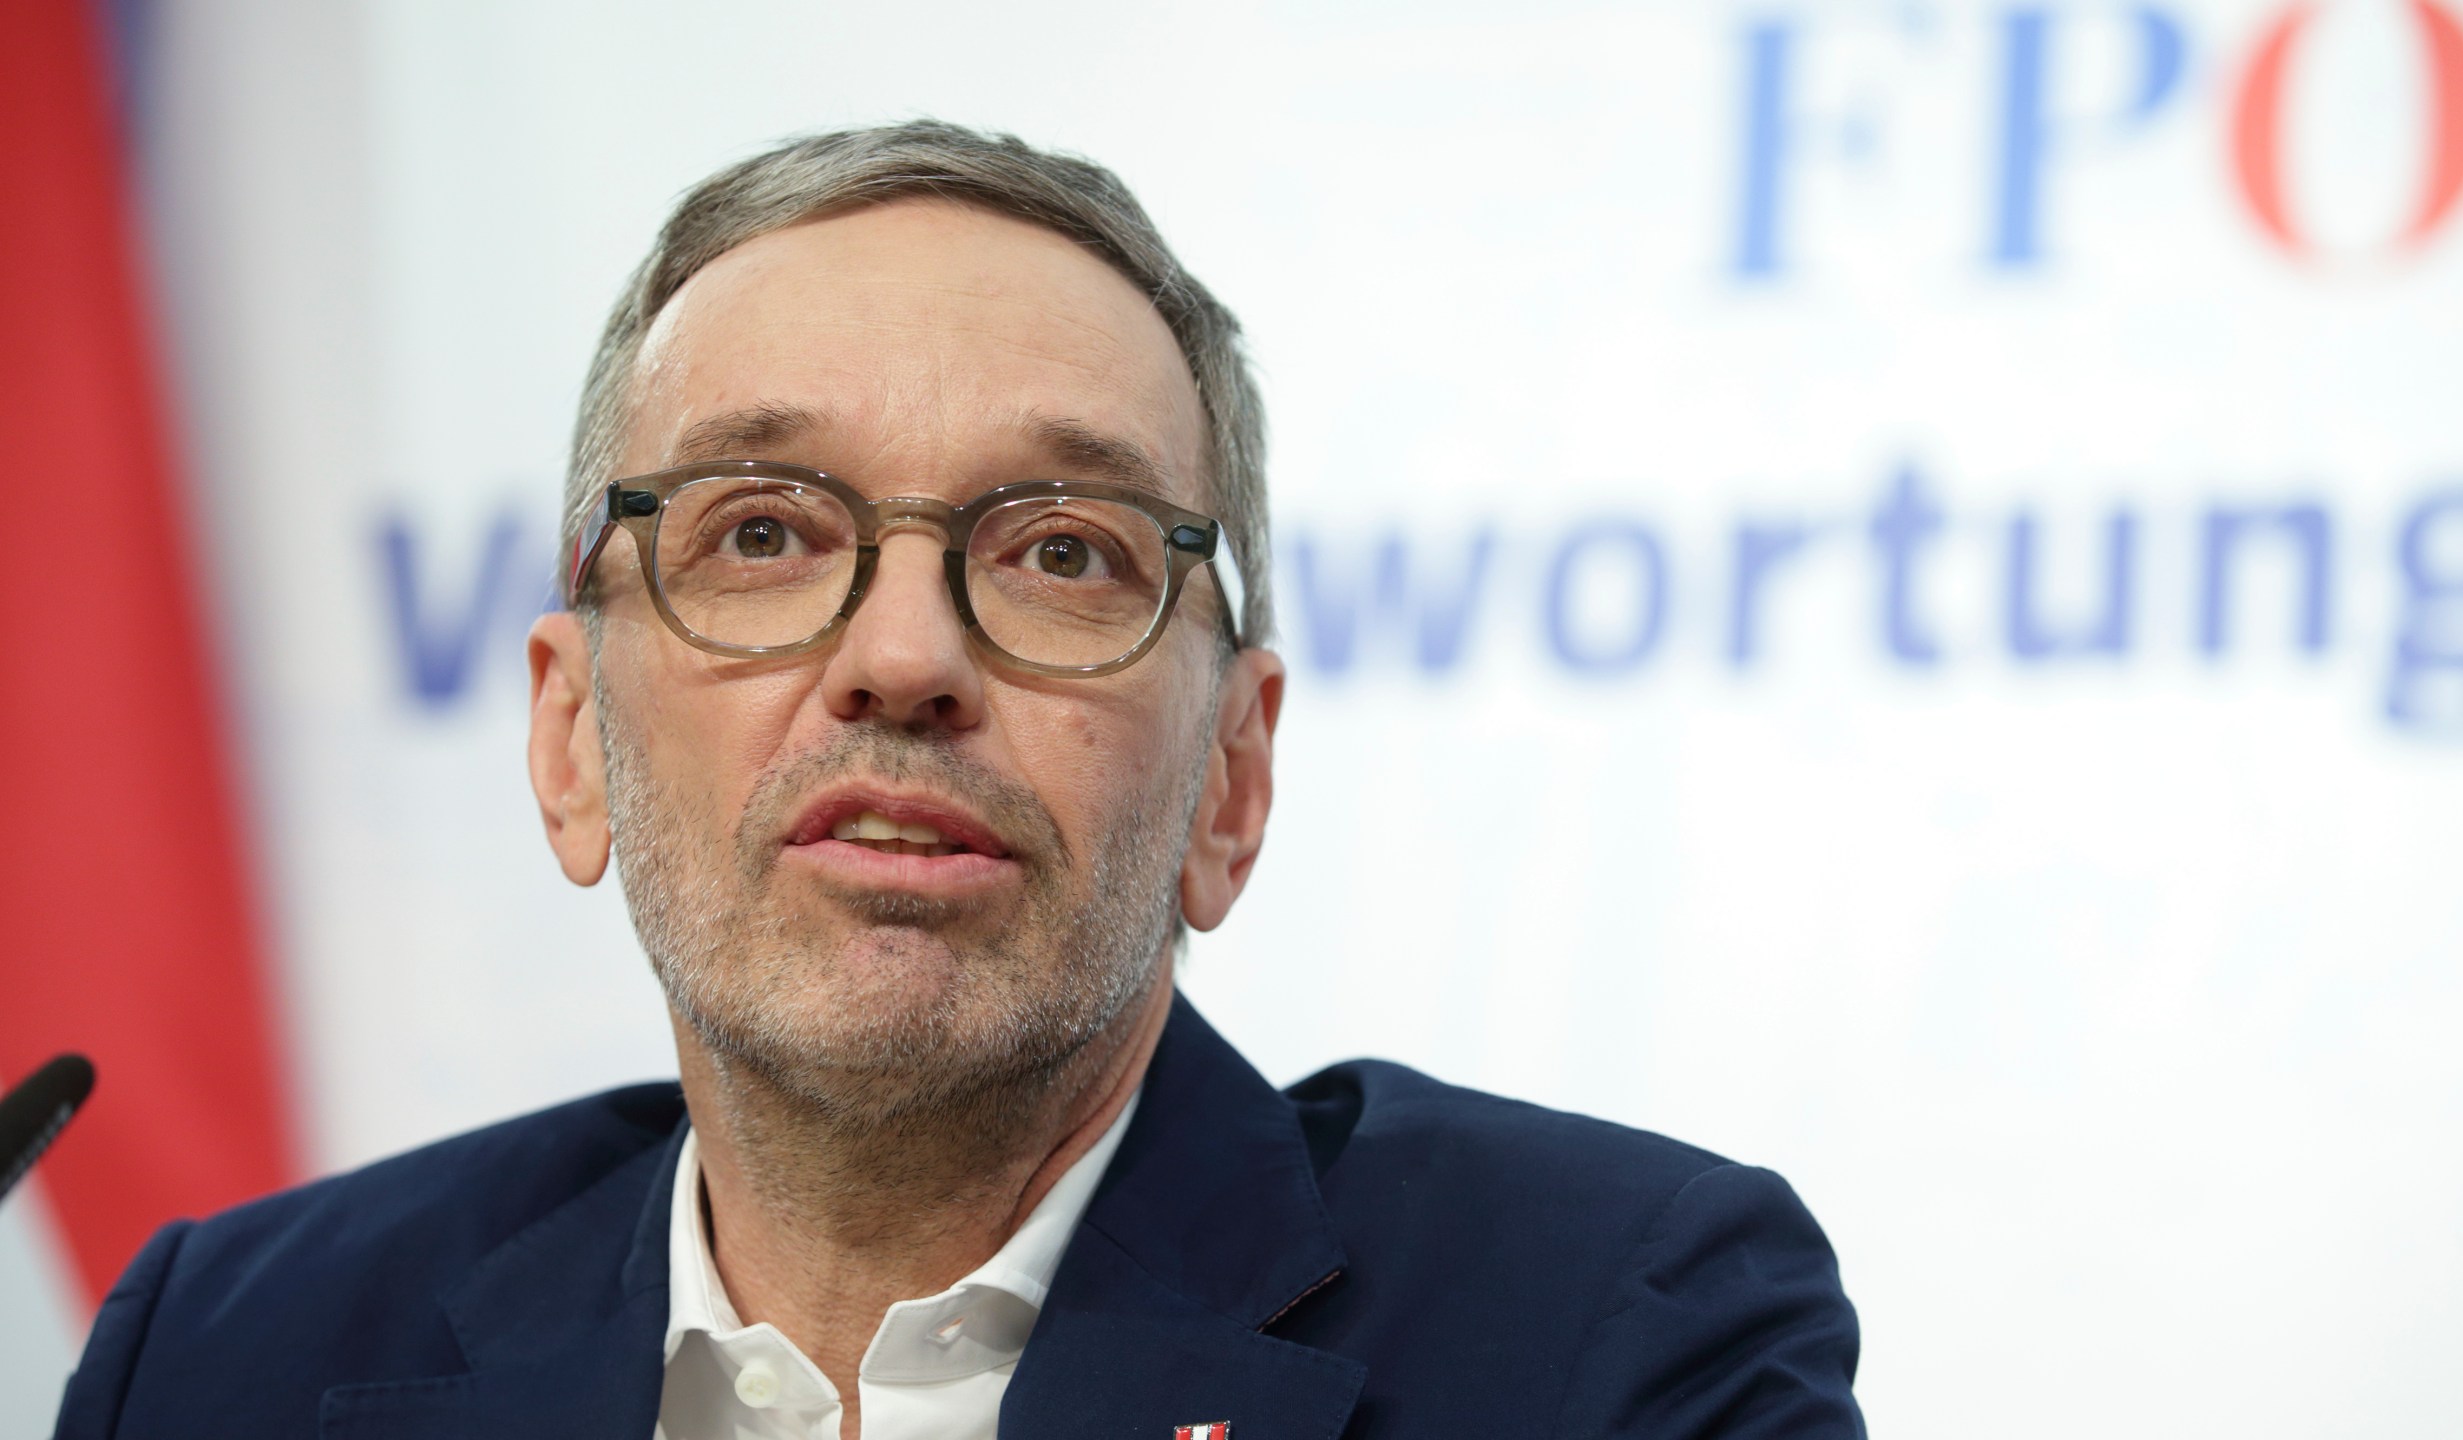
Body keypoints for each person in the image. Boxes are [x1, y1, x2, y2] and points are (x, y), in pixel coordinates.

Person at [54, 121, 1863, 1439]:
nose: (903, 658)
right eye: (761, 531)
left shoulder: (1610, 1338)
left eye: (1061, 552)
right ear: (569, 739)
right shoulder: (227, 1358)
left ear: (1232, 779)